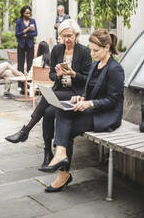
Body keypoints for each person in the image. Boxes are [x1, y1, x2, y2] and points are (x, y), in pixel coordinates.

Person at [41, 29, 125, 193]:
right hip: (93, 110)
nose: (92, 54)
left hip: (106, 115)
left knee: (66, 125)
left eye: (96, 50)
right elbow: (89, 90)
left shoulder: (115, 69)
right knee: (62, 109)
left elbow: (113, 101)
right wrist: (80, 98)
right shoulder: (95, 64)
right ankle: (61, 154)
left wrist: (90, 104)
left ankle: (62, 168)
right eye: (91, 49)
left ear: (107, 47)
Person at [5, 19, 92, 170]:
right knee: (48, 112)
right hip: (60, 91)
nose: (67, 39)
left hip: (76, 94)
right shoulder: (58, 50)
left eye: (70, 36)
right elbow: (51, 75)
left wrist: (72, 73)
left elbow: (87, 80)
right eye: (64, 36)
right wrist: (57, 75)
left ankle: (25, 130)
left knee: (47, 96)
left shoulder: (84, 52)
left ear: (76, 35)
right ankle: (48, 154)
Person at [15, 5, 38, 94]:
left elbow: (35, 33)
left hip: (30, 45)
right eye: (26, 13)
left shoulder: (33, 21)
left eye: (29, 13)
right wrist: (27, 29)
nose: (28, 14)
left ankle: (29, 85)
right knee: (20, 65)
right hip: (21, 45)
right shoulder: (19, 21)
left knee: (29, 64)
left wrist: (25, 35)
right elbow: (17, 34)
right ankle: (20, 86)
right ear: (23, 13)